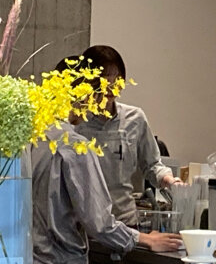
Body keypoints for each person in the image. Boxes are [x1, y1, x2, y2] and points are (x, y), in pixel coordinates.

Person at [32, 57, 182, 264]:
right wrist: (146, 239)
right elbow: (100, 223)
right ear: (85, 95)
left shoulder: (35, 139)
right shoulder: (75, 147)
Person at [75, 45, 183, 226]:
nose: (111, 85)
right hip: (86, 223)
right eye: (104, 78)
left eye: (116, 78)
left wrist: (169, 180)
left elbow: (152, 164)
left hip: (125, 220)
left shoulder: (135, 118)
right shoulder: (76, 120)